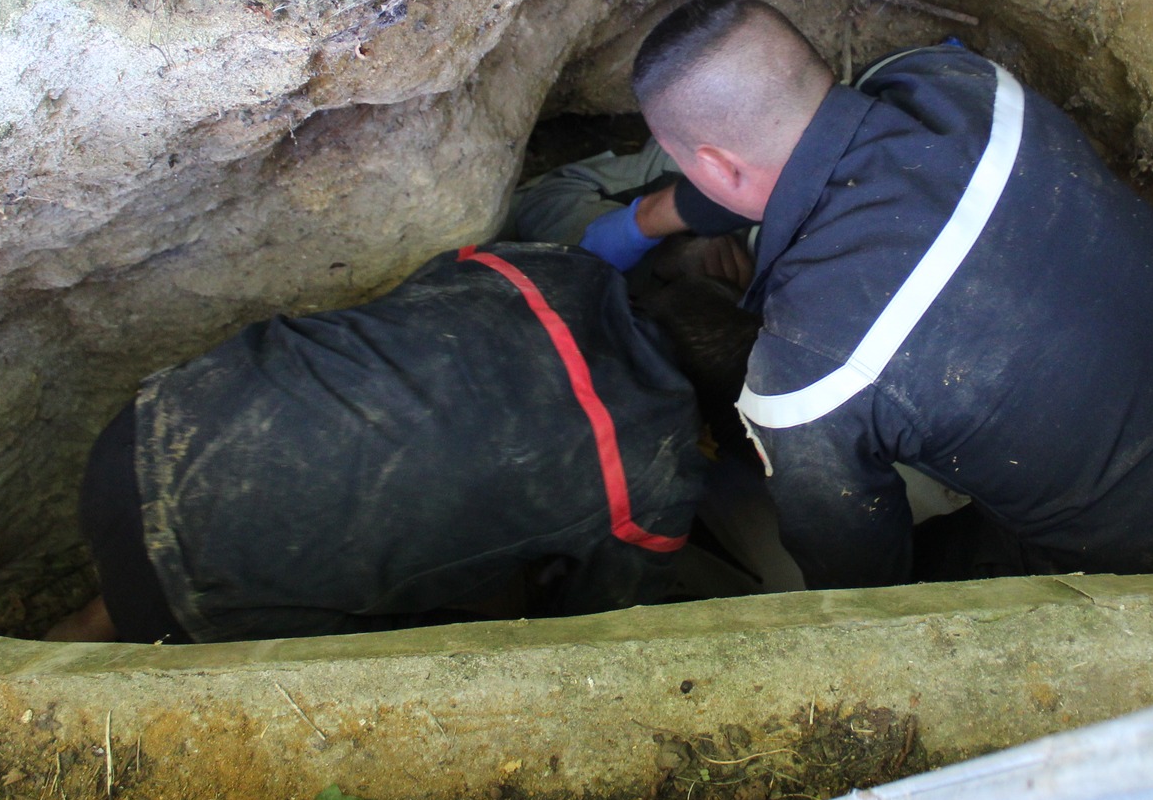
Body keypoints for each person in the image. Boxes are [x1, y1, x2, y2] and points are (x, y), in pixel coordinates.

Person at [614, 0, 1153, 591]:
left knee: (917, 570)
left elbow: (863, 587)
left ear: (712, 162)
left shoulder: (807, 368)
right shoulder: (954, 80)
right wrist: (649, 221)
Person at [47, 243, 708, 643]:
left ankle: (87, 625)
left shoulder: (546, 269)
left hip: (141, 439)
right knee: (491, 618)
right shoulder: (659, 473)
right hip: (193, 601)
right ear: (713, 429)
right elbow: (594, 629)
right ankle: (132, 614)